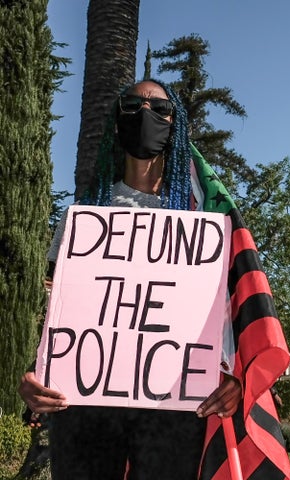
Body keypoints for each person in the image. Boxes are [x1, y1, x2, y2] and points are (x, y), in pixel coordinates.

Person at [17, 80, 246, 479]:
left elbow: (223, 316)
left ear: (176, 123)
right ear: (114, 123)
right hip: (84, 404)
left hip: (173, 403)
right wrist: (33, 374)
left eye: (159, 109)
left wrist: (232, 378)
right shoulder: (81, 221)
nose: (145, 115)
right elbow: (52, 311)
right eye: (132, 106)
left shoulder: (202, 223)